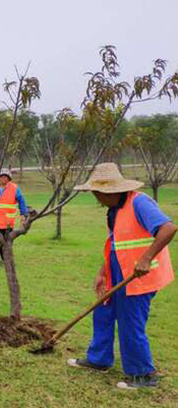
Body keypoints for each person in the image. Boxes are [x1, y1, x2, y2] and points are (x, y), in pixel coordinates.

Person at [67, 163, 176, 390]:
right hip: (118, 270)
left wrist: (146, 258)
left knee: (130, 321)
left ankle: (143, 374)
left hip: (140, 275)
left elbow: (169, 228)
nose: (96, 197)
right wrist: (103, 271)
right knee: (103, 310)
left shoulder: (139, 202)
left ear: (111, 191)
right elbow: (116, 244)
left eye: (97, 193)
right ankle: (99, 359)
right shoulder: (114, 210)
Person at [0, 169, 28, 258]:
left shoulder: (15, 188)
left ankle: (3, 255)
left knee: (5, 243)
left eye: (6, 177)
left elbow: (22, 201)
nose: (3, 178)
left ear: (9, 178)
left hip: (7, 222)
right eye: (2, 176)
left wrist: (23, 214)